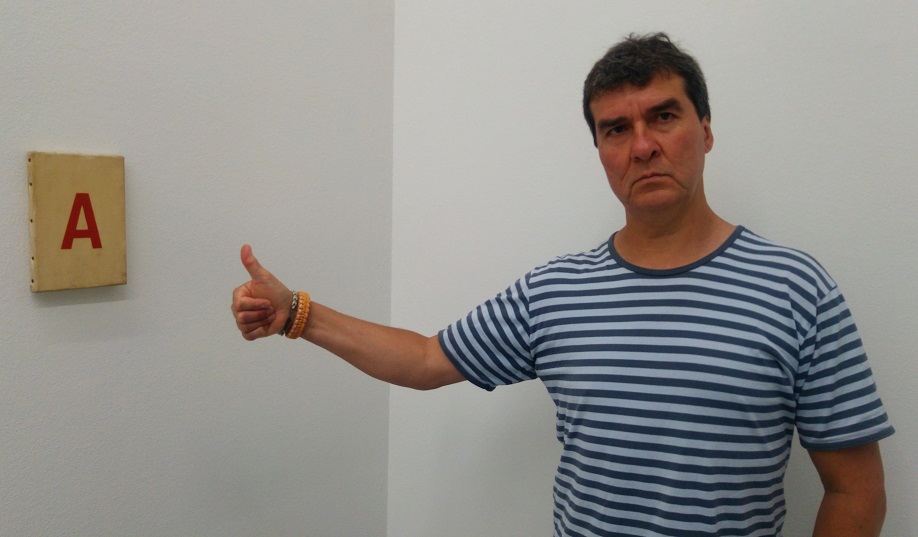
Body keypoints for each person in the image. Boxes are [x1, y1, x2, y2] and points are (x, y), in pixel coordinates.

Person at [232, 32, 893, 537]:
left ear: (706, 130)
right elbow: (427, 358)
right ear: (600, 151)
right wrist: (297, 314)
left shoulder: (795, 290)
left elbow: (855, 490)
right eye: (616, 129)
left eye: (664, 116)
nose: (642, 146)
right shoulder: (555, 292)